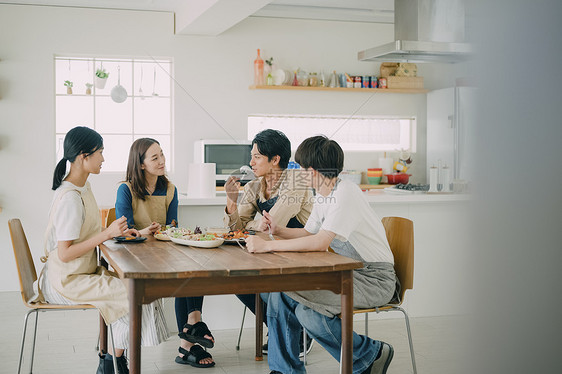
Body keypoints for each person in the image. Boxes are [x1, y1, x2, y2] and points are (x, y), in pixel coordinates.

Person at [246, 135, 398, 374]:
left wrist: (268, 246)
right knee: (288, 297)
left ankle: (370, 353)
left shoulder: (346, 192)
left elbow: (319, 242)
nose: (297, 173)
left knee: (298, 304)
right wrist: (278, 230)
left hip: (375, 280)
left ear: (313, 171)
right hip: (349, 273)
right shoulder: (323, 193)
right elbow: (308, 232)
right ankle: (287, 369)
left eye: (300, 168)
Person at [33, 127, 168, 374]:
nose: (103, 159)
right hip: (65, 281)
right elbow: (64, 253)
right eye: (100, 153)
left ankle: (111, 362)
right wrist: (106, 234)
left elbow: (88, 233)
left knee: (137, 288)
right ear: (84, 156)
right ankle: (114, 364)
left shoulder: (83, 188)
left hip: (80, 274)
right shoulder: (70, 198)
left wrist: (125, 232)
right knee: (134, 295)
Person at [115, 138, 215, 368]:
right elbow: (124, 229)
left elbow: (173, 225)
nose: (162, 161)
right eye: (155, 157)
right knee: (183, 274)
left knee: (192, 267)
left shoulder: (170, 189)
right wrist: (143, 231)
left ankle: (191, 329)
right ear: (141, 164)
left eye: (162, 155)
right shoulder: (126, 189)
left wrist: (167, 229)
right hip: (135, 256)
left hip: (162, 251)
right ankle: (190, 336)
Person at [223, 129, 314, 355]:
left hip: (304, 253)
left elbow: (273, 224)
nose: (251, 162)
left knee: (270, 286)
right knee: (237, 282)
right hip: (272, 252)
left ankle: (300, 332)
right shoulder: (255, 186)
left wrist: (253, 226)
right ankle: (280, 329)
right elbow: (236, 229)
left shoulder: (296, 182)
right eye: (251, 156)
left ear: (275, 160)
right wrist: (231, 204)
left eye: (257, 157)